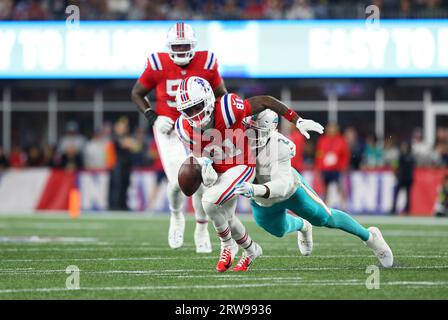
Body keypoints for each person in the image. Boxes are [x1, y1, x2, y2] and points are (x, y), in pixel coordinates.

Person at [174, 76, 323, 271]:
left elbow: (266, 100)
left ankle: (227, 245)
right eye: (188, 110)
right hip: (219, 169)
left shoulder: (227, 107)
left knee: (209, 203)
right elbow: (197, 153)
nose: (193, 114)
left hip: (241, 164)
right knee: (226, 217)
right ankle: (252, 249)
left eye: (197, 106)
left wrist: (297, 119)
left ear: (209, 99)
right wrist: (204, 164)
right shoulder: (183, 128)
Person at [235, 110, 394, 268]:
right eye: (247, 128)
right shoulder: (235, 143)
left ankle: (371, 237)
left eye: (255, 130)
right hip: (262, 201)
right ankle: (302, 225)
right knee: (278, 231)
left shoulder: (280, 146)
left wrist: (254, 189)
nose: (249, 134)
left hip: (291, 191)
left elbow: (282, 186)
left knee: (325, 219)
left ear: (269, 131)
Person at [131, 22, 227, 253]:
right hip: (170, 127)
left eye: (185, 46)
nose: (181, 50)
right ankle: (176, 217)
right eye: (177, 46)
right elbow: (137, 93)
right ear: (169, 46)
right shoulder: (158, 63)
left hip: (199, 127)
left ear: (193, 45)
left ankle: (202, 230)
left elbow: (221, 95)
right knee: (179, 182)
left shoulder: (206, 62)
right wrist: (152, 116)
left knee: (203, 181)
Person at [315, 123, 350, 208]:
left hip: (337, 169)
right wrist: (318, 167)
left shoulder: (341, 140)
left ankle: (344, 206)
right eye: (329, 128)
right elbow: (319, 154)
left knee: (340, 187)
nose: (331, 130)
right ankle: (325, 206)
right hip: (325, 169)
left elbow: (345, 154)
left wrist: (343, 166)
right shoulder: (322, 140)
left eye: (333, 128)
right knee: (325, 189)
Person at [108, 117, 136, 211]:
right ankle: (114, 206)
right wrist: (130, 143)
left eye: (125, 126)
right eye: (122, 126)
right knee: (117, 186)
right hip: (117, 166)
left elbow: (135, 146)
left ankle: (123, 205)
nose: (124, 128)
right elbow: (128, 145)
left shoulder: (126, 137)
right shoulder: (115, 136)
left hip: (126, 166)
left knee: (125, 185)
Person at [391, 141, 415, 215]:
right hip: (405, 178)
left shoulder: (403, 156)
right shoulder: (409, 157)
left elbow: (396, 166)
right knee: (404, 194)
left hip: (404, 178)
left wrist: (397, 174)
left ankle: (400, 209)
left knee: (404, 195)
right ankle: (400, 209)